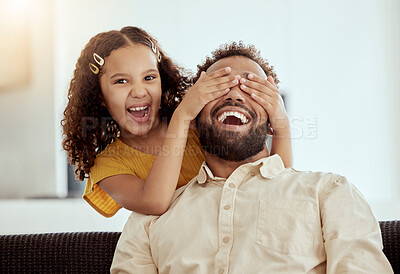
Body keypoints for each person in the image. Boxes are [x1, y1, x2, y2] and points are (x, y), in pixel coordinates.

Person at [110, 42, 393, 273]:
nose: (235, 95)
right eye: (219, 86)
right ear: (194, 116)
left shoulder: (329, 194)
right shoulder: (147, 223)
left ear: (273, 121)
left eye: (252, 87)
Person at [61, 27, 293, 217]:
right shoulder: (108, 166)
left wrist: (282, 124)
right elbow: (155, 202)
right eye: (121, 81)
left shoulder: (200, 126)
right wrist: (182, 118)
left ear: (163, 81)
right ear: (99, 96)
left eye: (149, 77)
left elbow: (276, 184)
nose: (139, 91)